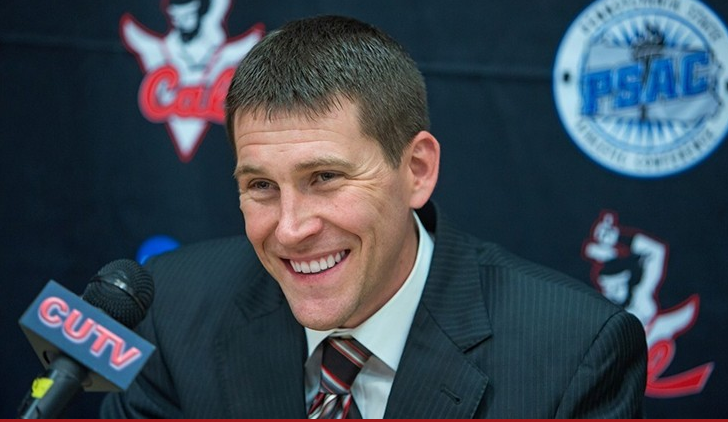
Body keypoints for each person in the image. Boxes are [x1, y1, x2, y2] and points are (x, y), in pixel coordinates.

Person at [100, 15, 647, 418]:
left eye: (325, 179)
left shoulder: (574, 351)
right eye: (261, 186)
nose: (290, 229)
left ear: (417, 170)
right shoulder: (172, 313)